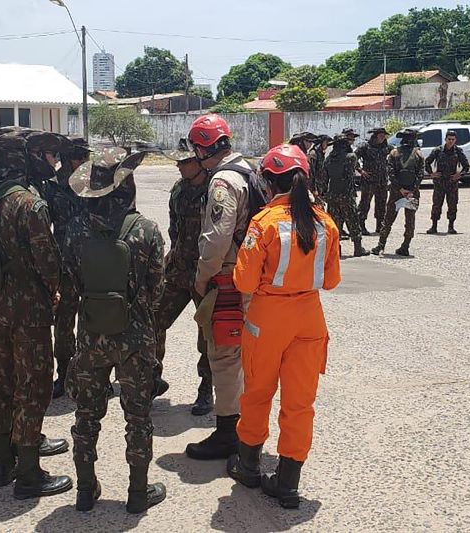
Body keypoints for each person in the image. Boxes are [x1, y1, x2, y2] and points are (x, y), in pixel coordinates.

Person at [226, 144, 341, 509]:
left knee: (257, 392)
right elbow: (332, 280)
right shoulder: (326, 222)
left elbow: (243, 282)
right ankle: (288, 482)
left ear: (271, 181)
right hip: (309, 316)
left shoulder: (264, 224)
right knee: (300, 401)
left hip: (267, 318)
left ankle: (248, 465)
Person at [62, 148, 167, 513]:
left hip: (91, 335)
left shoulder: (75, 230)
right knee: (138, 417)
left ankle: (85, 490)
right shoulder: (146, 230)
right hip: (135, 338)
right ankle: (138, 493)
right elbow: (157, 290)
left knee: (86, 415)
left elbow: (72, 282)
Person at [0, 132, 72, 498]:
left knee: (1, 382)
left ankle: (2, 464)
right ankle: (29, 474)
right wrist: (54, 289)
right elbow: (47, 261)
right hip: (27, 310)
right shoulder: (28, 204)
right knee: (33, 386)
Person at [186, 114, 251, 460]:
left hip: (227, 278)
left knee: (225, 356)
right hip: (252, 278)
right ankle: (247, 426)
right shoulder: (249, 172)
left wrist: (201, 277)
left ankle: (228, 433)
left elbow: (215, 240)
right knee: (246, 356)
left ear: (201, 147)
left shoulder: (223, 182)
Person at [154, 139, 214, 416]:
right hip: (179, 270)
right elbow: (173, 227)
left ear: (199, 162)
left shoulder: (215, 188)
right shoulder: (179, 189)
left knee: (208, 335)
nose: (178, 166)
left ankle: (206, 388)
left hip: (206, 273)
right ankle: (153, 379)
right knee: (154, 319)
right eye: (177, 162)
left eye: (184, 162)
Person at [48, 137, 91, 399]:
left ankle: (92, 373)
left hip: (90, 261)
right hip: (64, 262)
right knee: (63, 323)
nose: (86, 161)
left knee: (92, 319)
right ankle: (64, 374)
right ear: (73, 158)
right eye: (83, 157)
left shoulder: (91, 183)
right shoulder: (52, 187)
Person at [371, 127, 425, 257]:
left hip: (396, 192)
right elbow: (421, 174)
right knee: (410, 220)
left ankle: (381, 245)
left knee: (388, 219)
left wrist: (400, 189)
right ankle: (405, 246)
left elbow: (390, 172)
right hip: (412, 193)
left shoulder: (394, 153)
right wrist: (412, 190)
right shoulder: (418, 154)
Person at [322, 133, 370, 257]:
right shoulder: (351, 157)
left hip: (332, 194)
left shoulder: (328, 159)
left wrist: (324, 195)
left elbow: (323, 179)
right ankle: (358, 248)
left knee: (335, 222)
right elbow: (351, 169)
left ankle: (336, 249)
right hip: (346, 194)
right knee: (353, 220)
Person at [425, 130, 470, 234]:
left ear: (455, 140)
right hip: (439, 183)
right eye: (449, 139)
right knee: (436, 205)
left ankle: (451, 226)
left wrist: (460, 175)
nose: (450, 141)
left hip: (452, 183)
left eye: (452, 139)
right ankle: (434, 226)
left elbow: (466, 166)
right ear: (445, 139)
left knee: (452, 205)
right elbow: (427, 162)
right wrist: (431, 174)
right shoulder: (438, 150)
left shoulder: (458, 151)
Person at [355, 127, 392, 235]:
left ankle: (380, 225)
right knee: (365, 204)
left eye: (384, 136)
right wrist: (360, 170)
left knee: (381, 203)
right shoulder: (365, 147)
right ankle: (360, 225)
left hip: (382, 180)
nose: (383, 138)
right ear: (375, 136)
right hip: (369, 181)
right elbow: (353, 157)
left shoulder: (386, 147)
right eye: (381, 136)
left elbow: (396, 154)